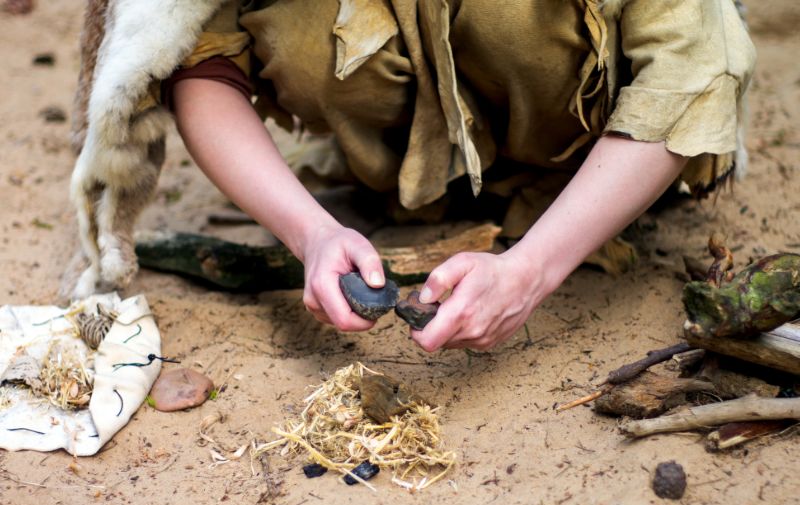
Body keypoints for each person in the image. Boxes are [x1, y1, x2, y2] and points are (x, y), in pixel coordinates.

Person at [69, 0, 756, 353]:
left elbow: (696, 76)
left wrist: (530, 271)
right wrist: (310, 233)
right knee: (301, 23)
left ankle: (577, 204)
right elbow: (198, 58)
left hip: (585, 156)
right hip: (393, 173)